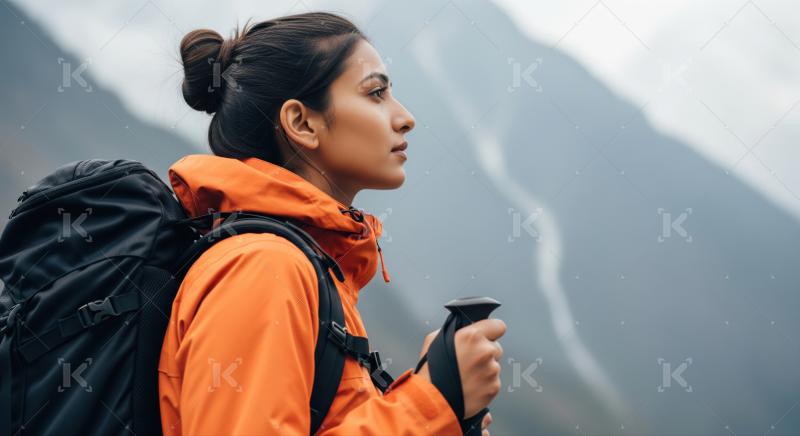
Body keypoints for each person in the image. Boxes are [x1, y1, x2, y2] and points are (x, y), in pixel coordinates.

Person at [158, 11, 506, 435]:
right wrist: (434, 402)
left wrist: (440, 403)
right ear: (302, 123)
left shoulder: (308, 267)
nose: (405, 117)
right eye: (376, 93)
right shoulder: (263, 268)